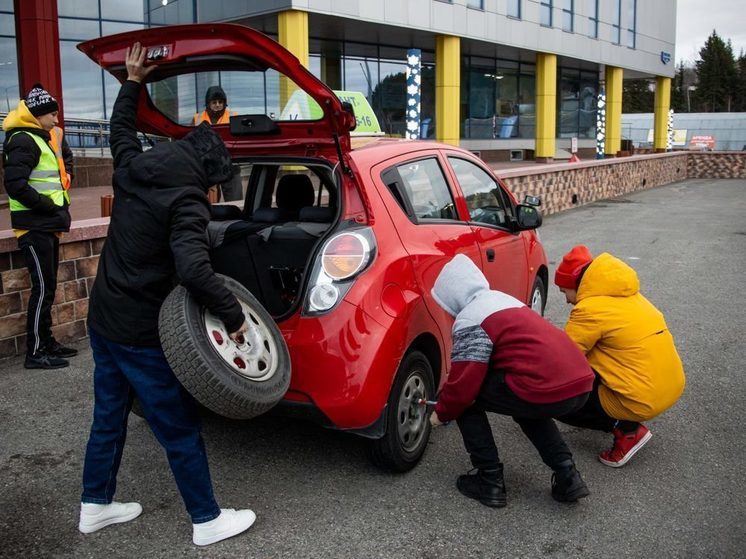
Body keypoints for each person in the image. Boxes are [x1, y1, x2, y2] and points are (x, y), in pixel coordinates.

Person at [78, 43, 255, 547]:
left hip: (103, 317)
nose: (216, 194)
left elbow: (119, 133)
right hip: (137, 329)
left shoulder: (136, 167)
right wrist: (233, 314)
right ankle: (206, 519)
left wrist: (133, 81)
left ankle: (95, 505)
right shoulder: (188, 202)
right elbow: (194, 269)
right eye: (216, 186)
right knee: (177, 425)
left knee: (109, 414)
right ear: (207, 178)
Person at [429, 254, 595, 508]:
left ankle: (489, 480)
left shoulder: (471, 318)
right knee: (527, 407)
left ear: (452, 296)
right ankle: (568, 476)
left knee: (467, 402)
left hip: (543, 386)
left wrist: (440, 413)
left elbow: (462, 385)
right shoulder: (505, 301)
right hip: (579, 383)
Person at [554, 245, 686, 467]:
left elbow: (563, 358)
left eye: (565, 292)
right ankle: (622, 418)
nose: (567, 300)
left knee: (560, 401)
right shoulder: (630, 297)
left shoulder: (590, 309)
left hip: (641, 400)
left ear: (577, 285)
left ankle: (627, 430)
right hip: (669, 386)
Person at [2, 84, 77, 369]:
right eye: (52, 115)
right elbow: (15, 185)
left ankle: (47, 342)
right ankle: (35, 352)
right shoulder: (23, 139)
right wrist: (47, 206)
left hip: (46, 224)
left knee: (48, 287)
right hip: (34, 226)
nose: (56, 120)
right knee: (42, 288)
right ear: (39, 114)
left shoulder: (37, 136)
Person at [192, 86, 242, 202]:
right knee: (209, 204)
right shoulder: (197, 118)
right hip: (207, 166)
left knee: (235, 201)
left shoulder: (234, 116)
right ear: (208, 103)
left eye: (221, 102)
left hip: (230, 164)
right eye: (214, 102)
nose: (218, 105)